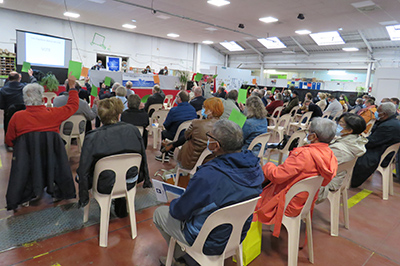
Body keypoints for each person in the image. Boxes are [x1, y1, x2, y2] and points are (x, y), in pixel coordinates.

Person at [153, 120, 263, 265]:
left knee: (159, 213)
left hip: (207, 240)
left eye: (209, 137)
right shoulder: (255, 167)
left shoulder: (210, 175)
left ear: (216, 146)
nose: (208, 139)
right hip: (237, 235)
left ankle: (182, 258)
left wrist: (174, 203)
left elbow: (180, 211)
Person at [254, 118, 338, 237]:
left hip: (286, 202)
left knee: (248, 195)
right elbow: (323, 182)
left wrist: (268, 165)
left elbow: (277, 176)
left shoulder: (303, 155)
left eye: (308, 131)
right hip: (304, 203)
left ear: (313, 136)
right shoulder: (330, 155)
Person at [76, 97, 151, 214]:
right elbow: (143, 158)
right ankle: (120, 201)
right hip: (130, 180)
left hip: (104, 185)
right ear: (119, 114)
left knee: (88, 171)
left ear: (100, 116)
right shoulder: (133, 131)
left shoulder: (92, 137)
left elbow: (84, 170)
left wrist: (83, 196)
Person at [6, 73, 79, 148]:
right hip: (51, 156)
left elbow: (9, 141)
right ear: (43, 100)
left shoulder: (17, 117)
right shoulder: (54, 114)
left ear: (24, 100)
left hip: (27, 157)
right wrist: (72, 87)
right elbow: (73, 105)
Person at [317, 113, 367, 202]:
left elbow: (319, 167)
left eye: (340, 123)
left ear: (349, 131)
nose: (336, 125)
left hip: (328, 181)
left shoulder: (339, 149)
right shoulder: (355, 142)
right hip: (339, 178)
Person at [163, 97, 224, 167]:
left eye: (204, 107)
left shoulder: (197, 123)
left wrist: (172, 144)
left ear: (210, 111)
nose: (203, 108)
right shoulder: (223, 127)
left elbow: (185, 136)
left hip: (191, 162)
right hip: (210, 163)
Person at [351, 102, 400, 187]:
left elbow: (371, 143)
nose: (376, 113)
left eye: (378, 111)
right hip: (386, 153)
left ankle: (348, 178)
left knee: (350, 151)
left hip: (380, 155)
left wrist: (356, 141)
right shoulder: (393, 122)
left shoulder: (388, 126)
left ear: (384, 114)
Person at [0, 70, 37, 149]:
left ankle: (9, 144)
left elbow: (1, 106)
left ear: (8, 78)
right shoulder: (24, 87)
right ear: (19, 78)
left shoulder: (3, 90)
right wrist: (31, 75)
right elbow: (34, 85)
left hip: (9, 114)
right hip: (23, 113)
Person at [155, 91, 197, 162]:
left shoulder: (174, 110)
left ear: (179, 99)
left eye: (176, 97)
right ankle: (171, 150)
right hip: (188, 136)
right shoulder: (193, 110)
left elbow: (166, 125)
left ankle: (165, 154)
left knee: (164, 133)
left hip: (175, 136)